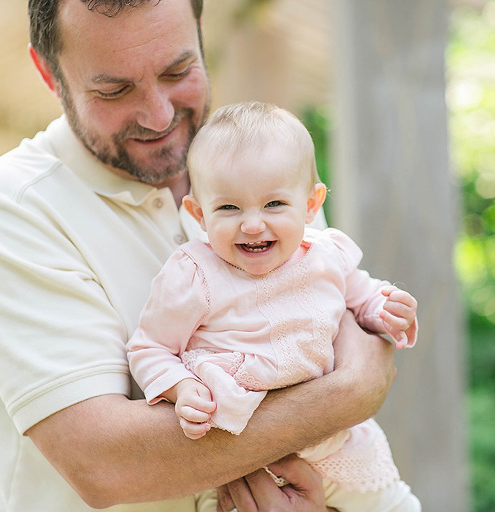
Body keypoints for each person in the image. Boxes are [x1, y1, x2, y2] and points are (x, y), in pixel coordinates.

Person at [0, 1, 398, 511]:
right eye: (114, 89)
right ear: (48, 73)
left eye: (177, 70)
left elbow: (331, 319)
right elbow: (105, 463)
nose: (158, 115)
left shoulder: (258, 165)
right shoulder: (8, 211)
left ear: (200, 34)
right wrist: (351, 393)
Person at [127, 102, 421, 512]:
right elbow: (149, 348)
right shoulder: (194, 275)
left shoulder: (325, 254)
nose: (251, 224)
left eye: (274, 205)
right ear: (198, 214)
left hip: (339, 444)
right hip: (238, 462)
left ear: (311, 205)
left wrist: (388, 308)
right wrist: (180, 388)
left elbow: (362, 298)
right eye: (228, 208)